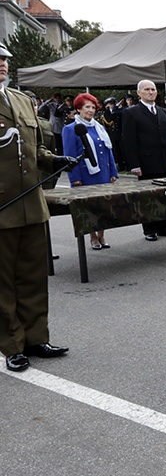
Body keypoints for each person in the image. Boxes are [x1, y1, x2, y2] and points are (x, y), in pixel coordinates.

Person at [0, 41, 75, 372]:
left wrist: (55, 159)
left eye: (4, 58)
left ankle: (35, 337)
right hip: (2, 207)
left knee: (33, 276)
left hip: (31, 203)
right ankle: (11, 344)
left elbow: (35, 149)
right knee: (3, 281)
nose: (2, 63)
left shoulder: (22, 100)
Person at [121, 80, 166, 241]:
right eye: (147, 89)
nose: (151, 92)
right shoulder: (132, 113)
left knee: (165, 195)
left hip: (164, 161)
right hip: (146, 163)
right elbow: (129, 141)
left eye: (153, 89)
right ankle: (149, 229)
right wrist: (134, 164)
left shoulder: (163, 112)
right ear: (138, 93)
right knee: (148, 198)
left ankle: (164, 226)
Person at [62, 93, 119, 249]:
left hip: (103, 173)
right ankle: (92, 236)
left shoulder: (98, 127)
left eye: (93, 107)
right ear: (79, 109)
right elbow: (70, 156)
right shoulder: (70, 129)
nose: (91, 110)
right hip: (85, 175)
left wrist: (113, 172)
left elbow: (108, 151)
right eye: (87, 107)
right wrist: (74, 178)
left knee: (103, 206)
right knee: (89, 208)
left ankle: (101, 235)